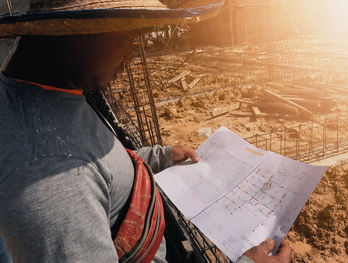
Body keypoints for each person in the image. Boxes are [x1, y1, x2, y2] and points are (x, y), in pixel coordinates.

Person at [0, 0, 292, 262]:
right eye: (126, 38)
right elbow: (76, 170)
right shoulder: (52, 173)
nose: (130, 56)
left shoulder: (42, 94)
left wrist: (157, 157)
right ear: (74, 33)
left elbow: (96, 166)